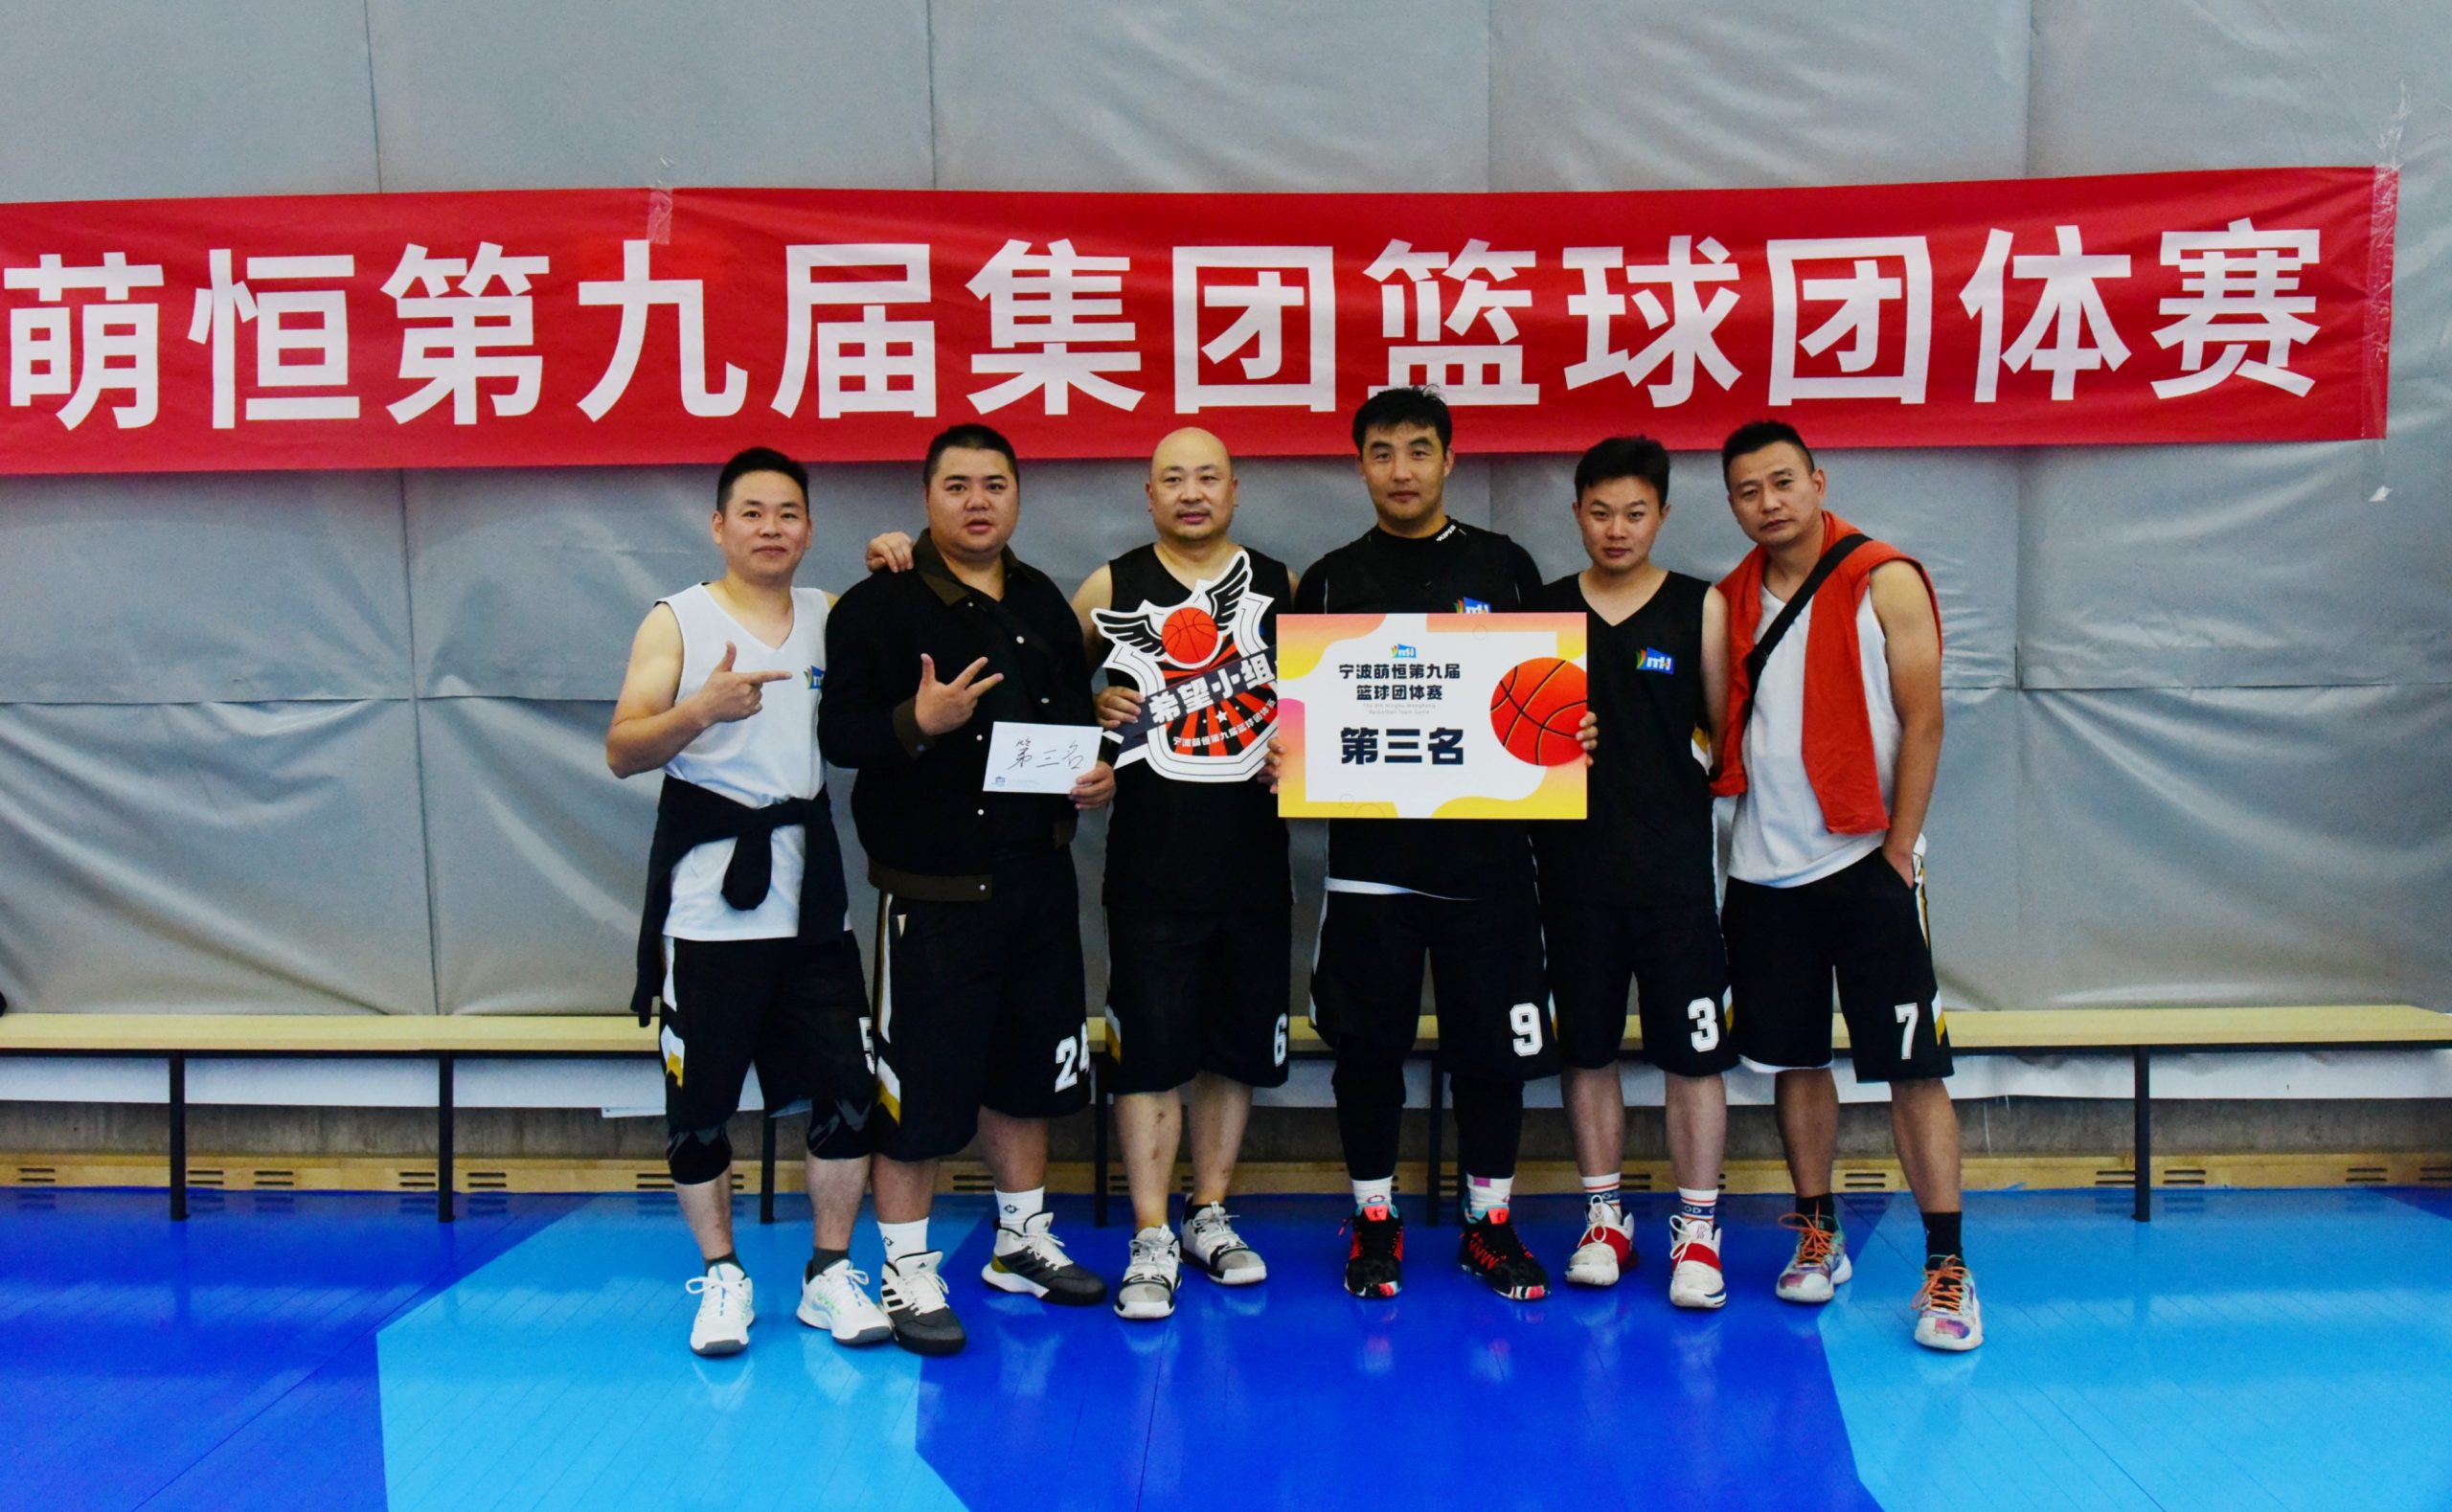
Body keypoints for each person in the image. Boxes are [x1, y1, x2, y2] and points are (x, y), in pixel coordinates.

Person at [870, 427, 1294, 1321]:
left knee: (1236, 1047)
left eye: (1208, 477)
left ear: (1235, 489)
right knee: (1150, 1049)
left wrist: (1305, 748)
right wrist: (1097, 709)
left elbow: (1325, 698)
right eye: (1172, 477)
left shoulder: (1281, 582)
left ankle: (1209, 1212)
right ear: (1148, 494)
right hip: (1148, 860)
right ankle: (1151, 1232)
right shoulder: (1106, 586)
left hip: (1255, 858)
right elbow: (1051, 691)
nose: (1191, 492)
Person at [820, 423, 1114, 1356]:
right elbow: (839, 735)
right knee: (918, 1089)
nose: (977, 501)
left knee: (1025, 1076)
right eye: (957, 485)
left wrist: (1095, 772)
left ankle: (1020, 1238)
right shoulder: (878, 604)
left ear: (1017, 494)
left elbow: (1071, 724)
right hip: (934, 889)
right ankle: (906, 1266)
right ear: (927, 496)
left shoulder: (1041, 599)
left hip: (1037, 878)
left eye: (994, 483)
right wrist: (920, 718)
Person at [1288, 386, 1586, 1302]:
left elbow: (1544, 691)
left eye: (1419, 450)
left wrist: (1570, 729)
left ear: (1450, 460)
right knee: (1368, 1051)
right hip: (1372, 870)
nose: (1402, 469)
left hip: (1486, 867)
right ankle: (1374, 1217)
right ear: (1360, 465)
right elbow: (1301, 716)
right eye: (1382, 452)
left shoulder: (1504, 564)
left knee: (1492, 1056)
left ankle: (1488, 1224)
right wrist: (1288, 749)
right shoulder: (1330, 578)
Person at [606, 446, 889, 1359]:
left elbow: (895, 654)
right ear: (719, 525)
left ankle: (830, 1271)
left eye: (788, 513)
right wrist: (700, 709)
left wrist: (899, 560)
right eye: (753, 512)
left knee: (848, 1093)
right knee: (700, 1104)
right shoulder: (677, 619)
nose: (772, 528)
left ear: (809, 528)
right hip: (708, 906)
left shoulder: (830, 613)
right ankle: (723, 1274)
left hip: (812, 904)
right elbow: (622, 747)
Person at [1713, 418, 1980, 1352]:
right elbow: (1712, 726)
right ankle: (1817, 1229)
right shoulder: (1728, 600)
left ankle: (1947, 1265)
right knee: (1794, 1061)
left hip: (1866, 860)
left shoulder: (1884, 577)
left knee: (1913, 1067)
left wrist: (1898, 850)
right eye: (1747, 490)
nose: (1768, 502)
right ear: (1732, 503)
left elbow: (1925, 718)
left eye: (1782, 481)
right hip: (1762, 870)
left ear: (1817, 481)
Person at [1532, 437, 1738, 1307]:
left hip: (1675, 877)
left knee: (1694, 1057)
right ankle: (1604, 1216)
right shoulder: (1541, 612)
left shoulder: (1701, 606)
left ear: (1662, 514)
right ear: (1577, 512)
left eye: (1635, 512)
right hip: (1572, 873)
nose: (1617, 529)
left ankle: (1698, 1227)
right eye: (1600, 512)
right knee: (1586, 1049)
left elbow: (1723, 739)